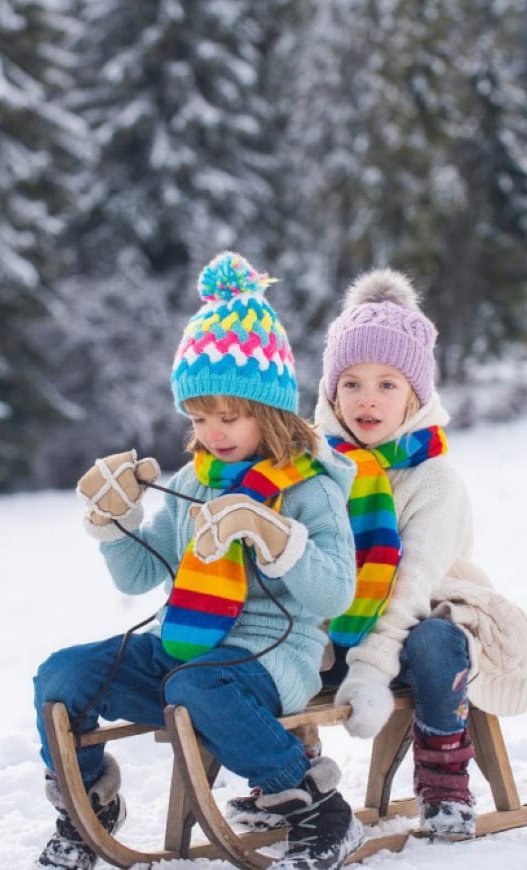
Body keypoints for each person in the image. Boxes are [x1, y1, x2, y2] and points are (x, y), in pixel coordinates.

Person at [32, 252, 366, 870]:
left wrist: (275, 535)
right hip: (183, 647)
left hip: (272, 656)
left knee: (196, 685)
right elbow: (140, 575)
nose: (213, 432)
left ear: (268, 409)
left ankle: (322, 813)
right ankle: (90, 806)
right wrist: (115, 522)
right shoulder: (196, 481)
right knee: (62, 675)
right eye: (198, 416)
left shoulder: (310, 487)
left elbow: (335, 594)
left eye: (229, 416)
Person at [226, 269, 527, 839]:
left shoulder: (434, 480)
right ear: (329, 391)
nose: (367, 399)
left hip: (416, 617)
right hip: (334, 620)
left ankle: (444, 782)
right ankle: (289, 781)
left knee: (437, 642)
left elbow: (409, 589)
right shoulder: (311, 466)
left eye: (387, 385)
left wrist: (372, 672)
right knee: (276, 633)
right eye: (352, 384)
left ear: (416, 395)